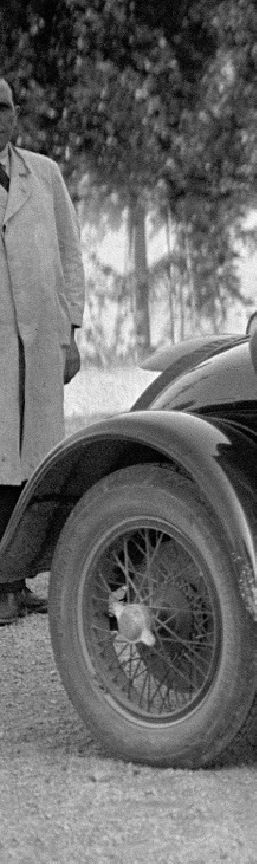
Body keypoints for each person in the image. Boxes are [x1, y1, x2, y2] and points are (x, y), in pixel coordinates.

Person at [0, 77, 83, 625]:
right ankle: (3, 584)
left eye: (2, 106)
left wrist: (71, 329)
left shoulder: (43, 173)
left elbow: (70, 255)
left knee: (36, 461)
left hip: (41, 339)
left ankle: (19, 577)